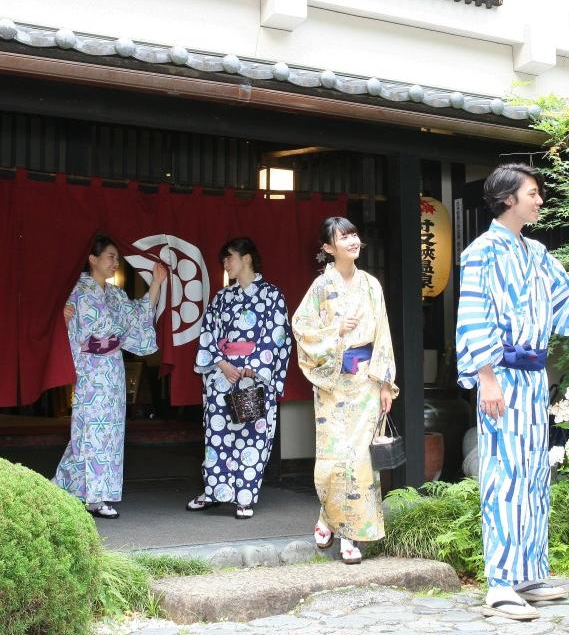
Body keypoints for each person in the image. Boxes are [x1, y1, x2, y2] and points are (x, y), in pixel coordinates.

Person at [456, 163, 569, 620]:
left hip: (533, 379)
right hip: (502, 374)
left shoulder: (535, 252)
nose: (539, 200)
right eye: (532, 193)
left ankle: (528, 573)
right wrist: (487, 378)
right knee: (504, 473)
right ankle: (499, 582)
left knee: (533, 471)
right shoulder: (481, 252)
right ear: (508, 198)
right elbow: (474, 313)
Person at [292, 217, 398, 564]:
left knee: (363, 461)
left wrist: (385, 382)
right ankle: (327, 515)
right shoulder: (322, 288)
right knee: (333, 460)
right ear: (328, 248)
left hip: (367, 382)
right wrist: (336, 330)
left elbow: (382, 333)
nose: (353, 241)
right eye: (344, 237)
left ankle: (350, 536)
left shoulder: (371, 285)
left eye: (353, 235)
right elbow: (301, 328)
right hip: (334, 385)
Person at [56, 234, 166, 518]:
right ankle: (87, 495)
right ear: (93, 259)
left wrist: (156, 283)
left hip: (113, 369)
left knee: (110, 433)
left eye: (117, 258)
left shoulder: (116, 295)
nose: (115, 262)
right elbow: (56, 324)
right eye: (110, 256)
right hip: (89, 369)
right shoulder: (76, 291)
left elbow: (139, 315)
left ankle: (90, 494)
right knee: (88, 431)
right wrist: (62, 316)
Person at [187, 237, 291, 519]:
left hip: (253, 377)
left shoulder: (272, 295)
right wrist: (221, 363)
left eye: (229, 257)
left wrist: (251, 367)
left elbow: (278, 336)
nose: (226, 264)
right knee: (217, 435)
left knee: (252, 435)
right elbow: (208, 334)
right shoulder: (222, 298)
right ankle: (214, 491)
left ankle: (244, 496)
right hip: (223, 377)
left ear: (247, 258)